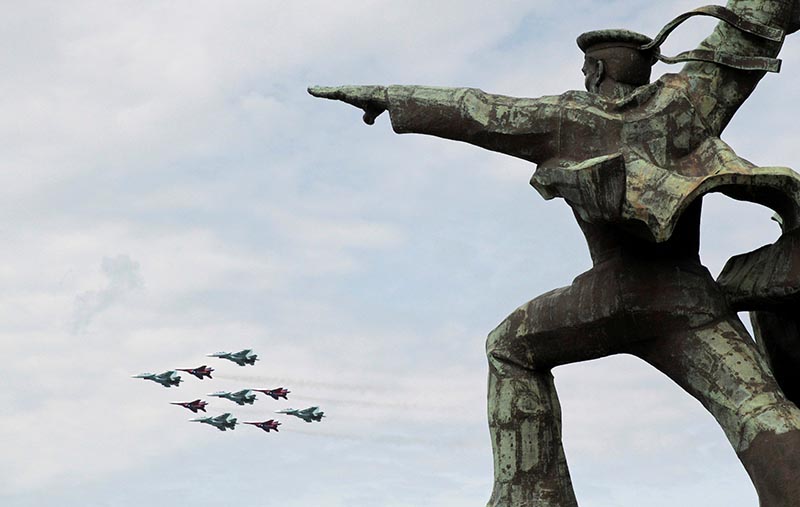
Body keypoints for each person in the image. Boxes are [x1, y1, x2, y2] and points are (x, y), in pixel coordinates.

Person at [310, 1, 800, 505]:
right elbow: (741, 39)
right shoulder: (686, 102)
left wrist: (387, 97)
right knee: (760, 408)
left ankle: (532, 495)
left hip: (606, 298)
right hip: (689, 304)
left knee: (510, 347)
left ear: (596, 70)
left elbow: (475, 110)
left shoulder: (566, 117)